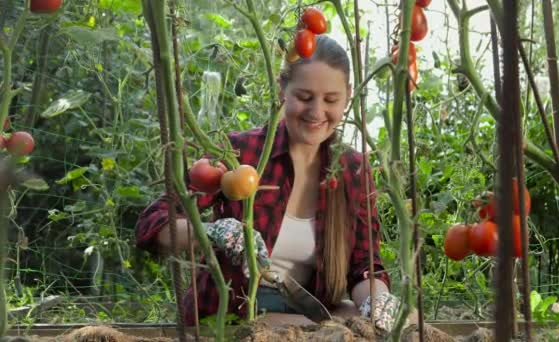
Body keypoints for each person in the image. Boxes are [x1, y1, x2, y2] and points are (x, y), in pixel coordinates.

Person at [135, 35, 409, 332]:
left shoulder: (354, 170)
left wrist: (376, 301)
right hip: (233, 317)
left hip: (309, 314)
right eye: (304, 97)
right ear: (282, 89)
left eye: (331, 100)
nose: (317, 112)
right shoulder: (238, 153)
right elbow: (153, 222)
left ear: (348, 96)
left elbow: (364, 266)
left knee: (407, 320)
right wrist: (211, 233)